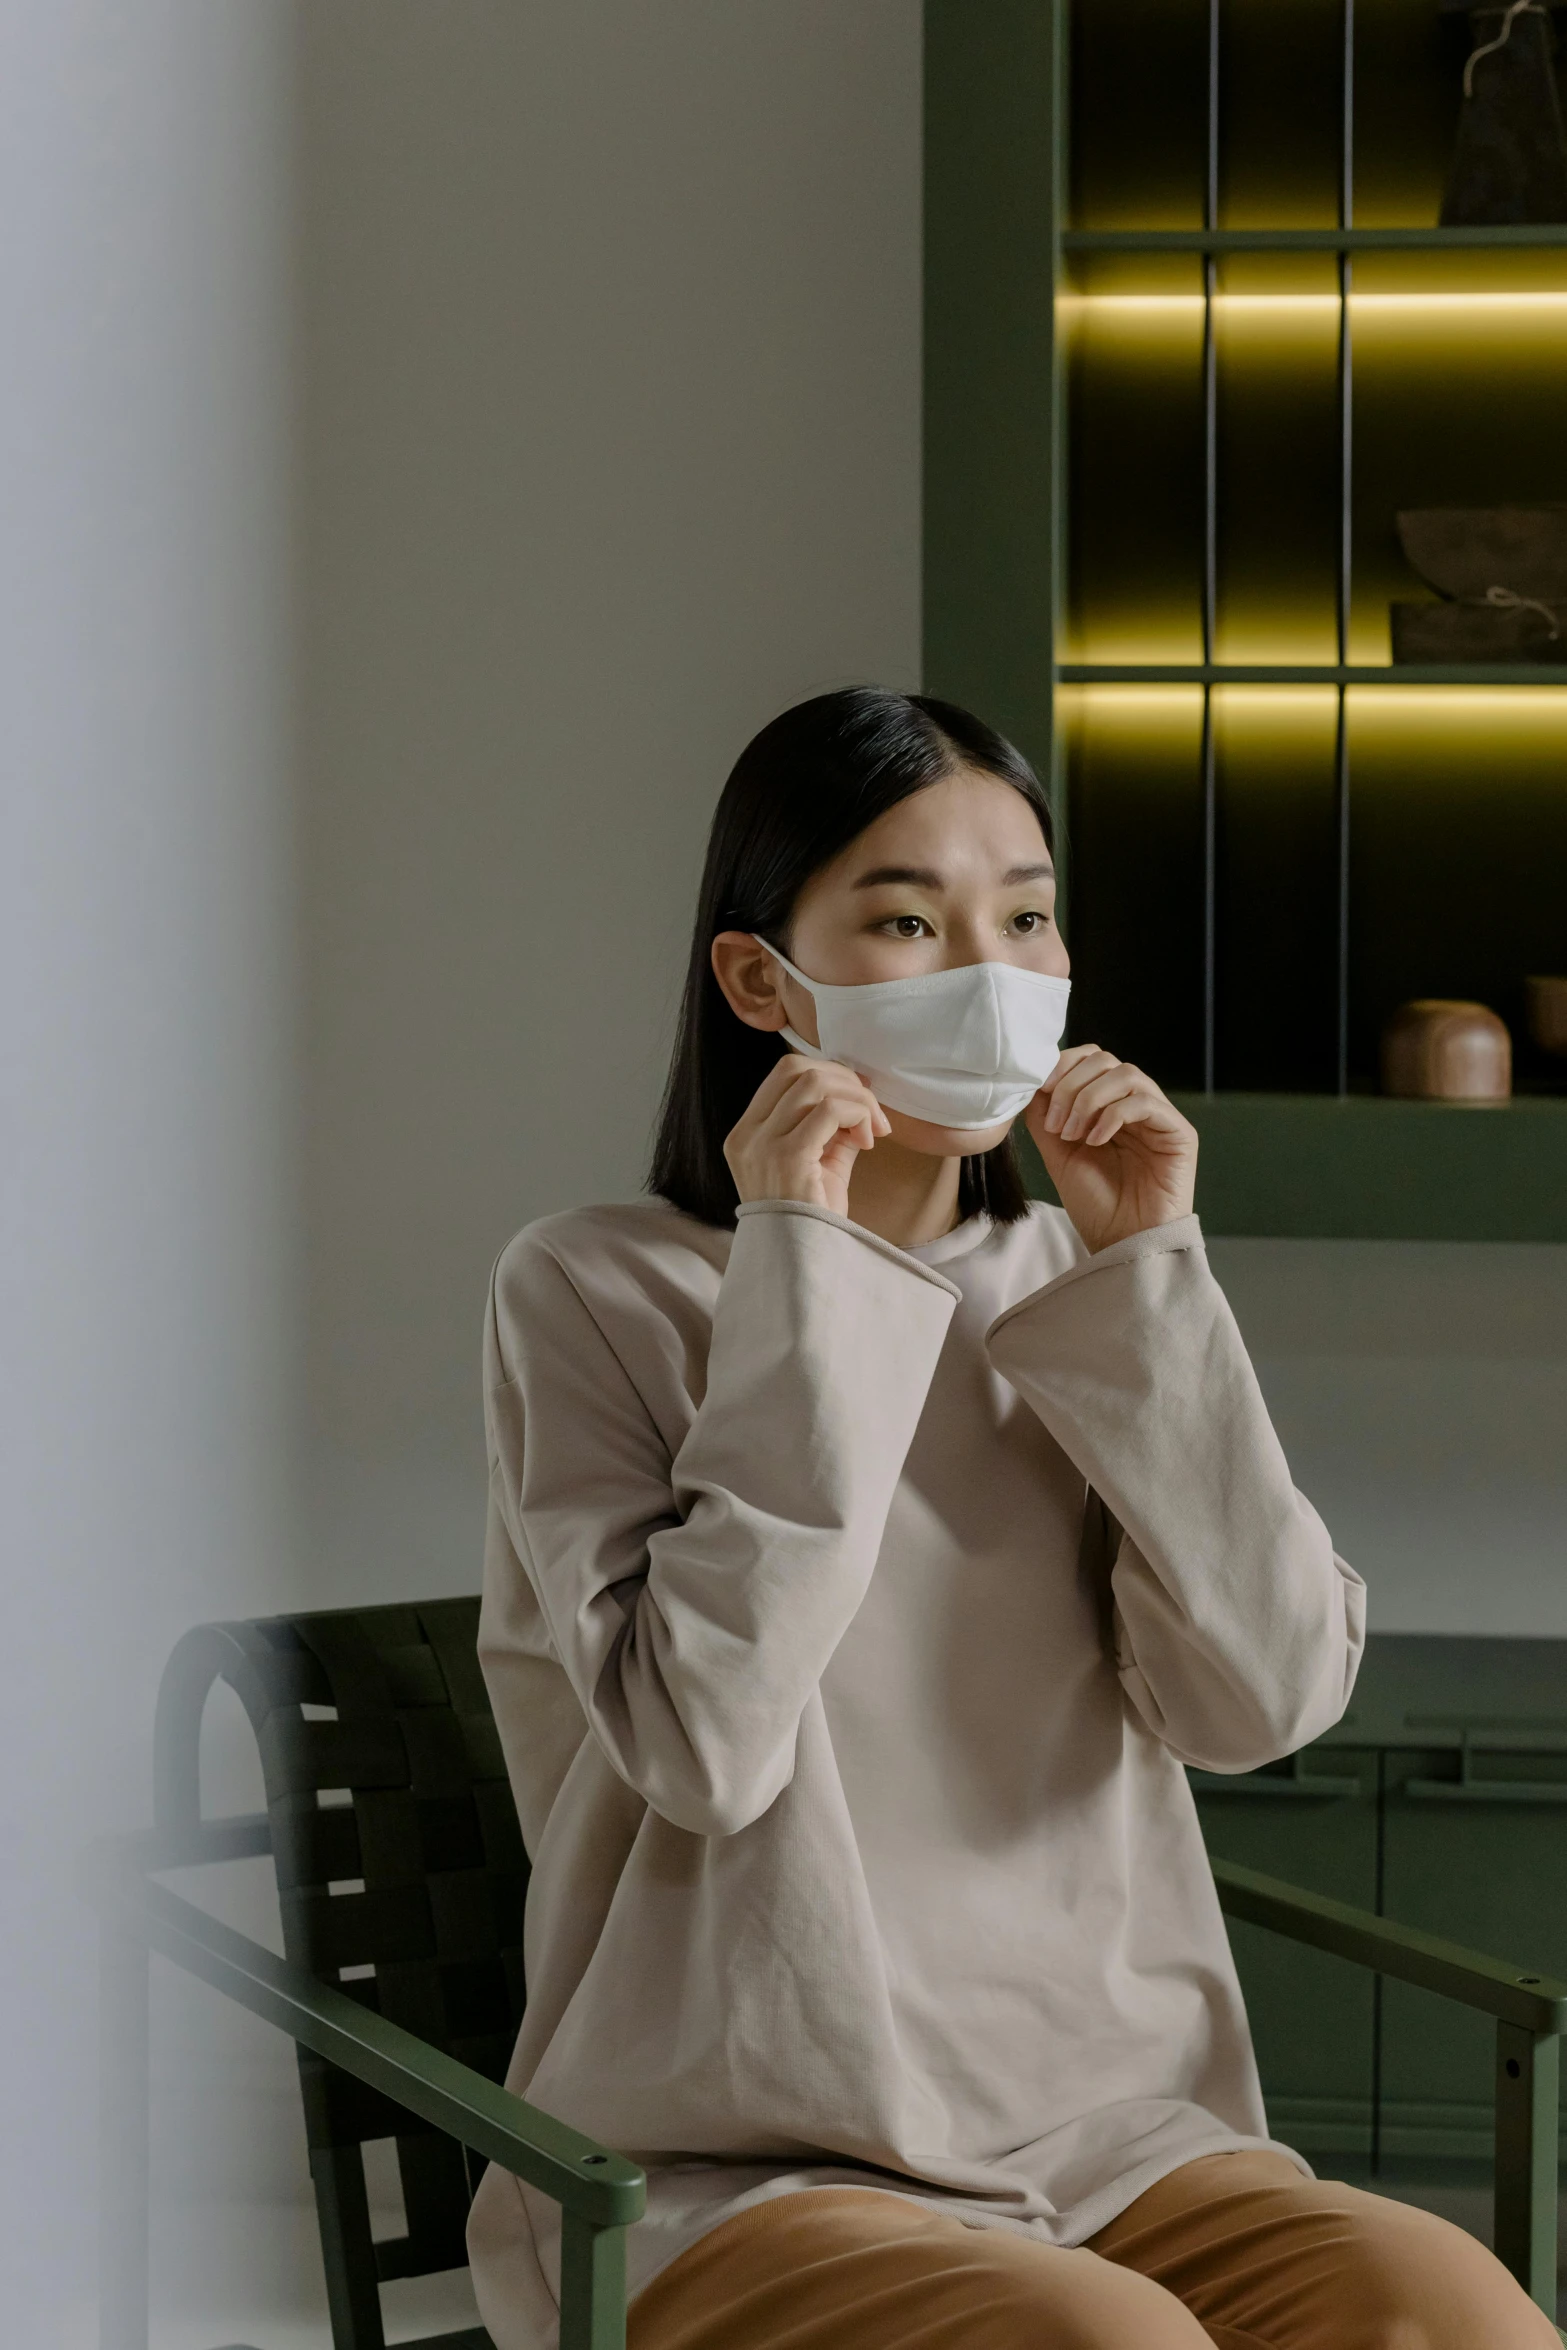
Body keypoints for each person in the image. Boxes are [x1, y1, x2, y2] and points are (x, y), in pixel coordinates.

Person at [468, 688, 1554, 2349]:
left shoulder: (1074, 1282)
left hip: (1120, 2138)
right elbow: (702, 1744)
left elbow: (1262, 1697)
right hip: (739, 2159)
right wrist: (802, 1279)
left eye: (1026, 916)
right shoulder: (594, 1286)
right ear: (765, 980)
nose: (990, 971)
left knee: (1452, 2309)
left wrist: (1149, 1279)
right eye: (905, 919)